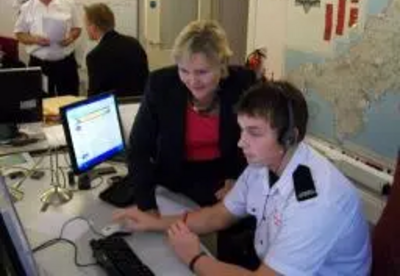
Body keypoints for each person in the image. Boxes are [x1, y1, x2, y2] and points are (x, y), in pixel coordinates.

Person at [114, 81, 372, 275]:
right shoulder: (264, 164)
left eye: (254, 133)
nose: (241, 142)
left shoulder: (316, 203)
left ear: (289, 137)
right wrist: (153, 222)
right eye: (242, 130)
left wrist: (195, 258)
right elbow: (218, 215)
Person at [126, 20, 256, 263]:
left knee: (238, 236)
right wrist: (147, 206)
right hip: (176, 175)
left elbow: (255, 140)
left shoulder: (243, 84)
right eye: (184, 71)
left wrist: (238, 177)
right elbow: (139, 148)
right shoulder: (161, 84)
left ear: (222, 65)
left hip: (223, 173)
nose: (192, 80)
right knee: (164, 251)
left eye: (202, 72)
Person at [14, 0, 81, 96]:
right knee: (42, 103)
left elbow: (77, 28)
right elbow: (19, 34)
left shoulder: (68, 2)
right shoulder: (27, 7)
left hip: (66, 64)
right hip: (40, 64)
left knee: (70, 100)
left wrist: (71, 37)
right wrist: (34, 39)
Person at [84, 3, 149, 97]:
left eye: (86, 25)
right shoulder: (134, 43)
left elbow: (94, 96)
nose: (86, 29)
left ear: (93, 27)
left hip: (116, 108)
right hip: (140, 104)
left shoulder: (94, 56)